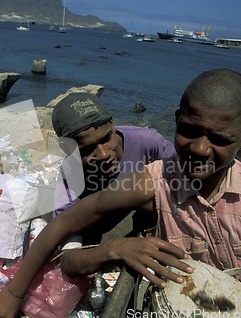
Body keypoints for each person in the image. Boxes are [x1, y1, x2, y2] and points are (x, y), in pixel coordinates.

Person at [0, 69, 241, 318]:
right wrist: (16, 291)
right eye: (189, 131)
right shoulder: (138, 184)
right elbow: (63, 236)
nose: (200, 148)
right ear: (177, 121)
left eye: (220, 139)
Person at [51, 92, 175, 261]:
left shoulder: (147, 142)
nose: (103, 154)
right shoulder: (70, 174)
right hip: (91, 226)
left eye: (106, 138)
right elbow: (64, 230)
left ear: (112, 124)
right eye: (87, 150)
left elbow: (178, 172)